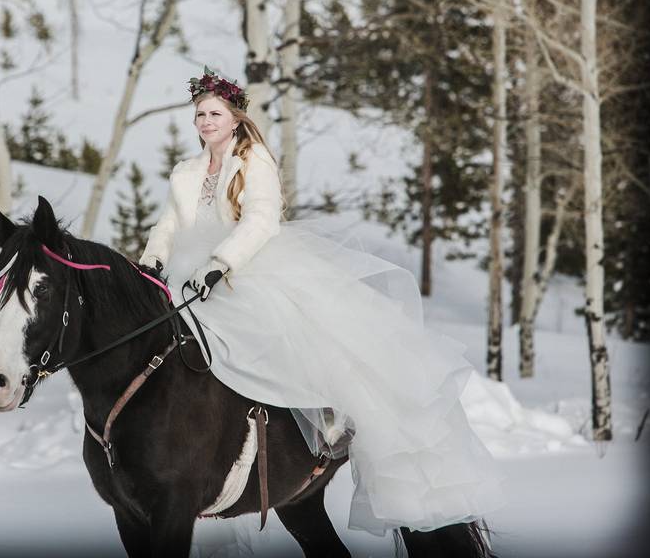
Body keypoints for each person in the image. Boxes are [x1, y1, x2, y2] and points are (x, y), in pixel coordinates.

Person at [137, 67, 505, 536]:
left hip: (245, 268)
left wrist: (222, 262)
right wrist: (151, 262)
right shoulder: (185, 173)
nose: (206, 121)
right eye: (200, 115)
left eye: (215, 113)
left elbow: (261, 219)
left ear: (234, 120)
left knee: (282, 331)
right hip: (189, 276)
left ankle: (322, 417)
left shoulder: (253, 161)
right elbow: (167, 225)